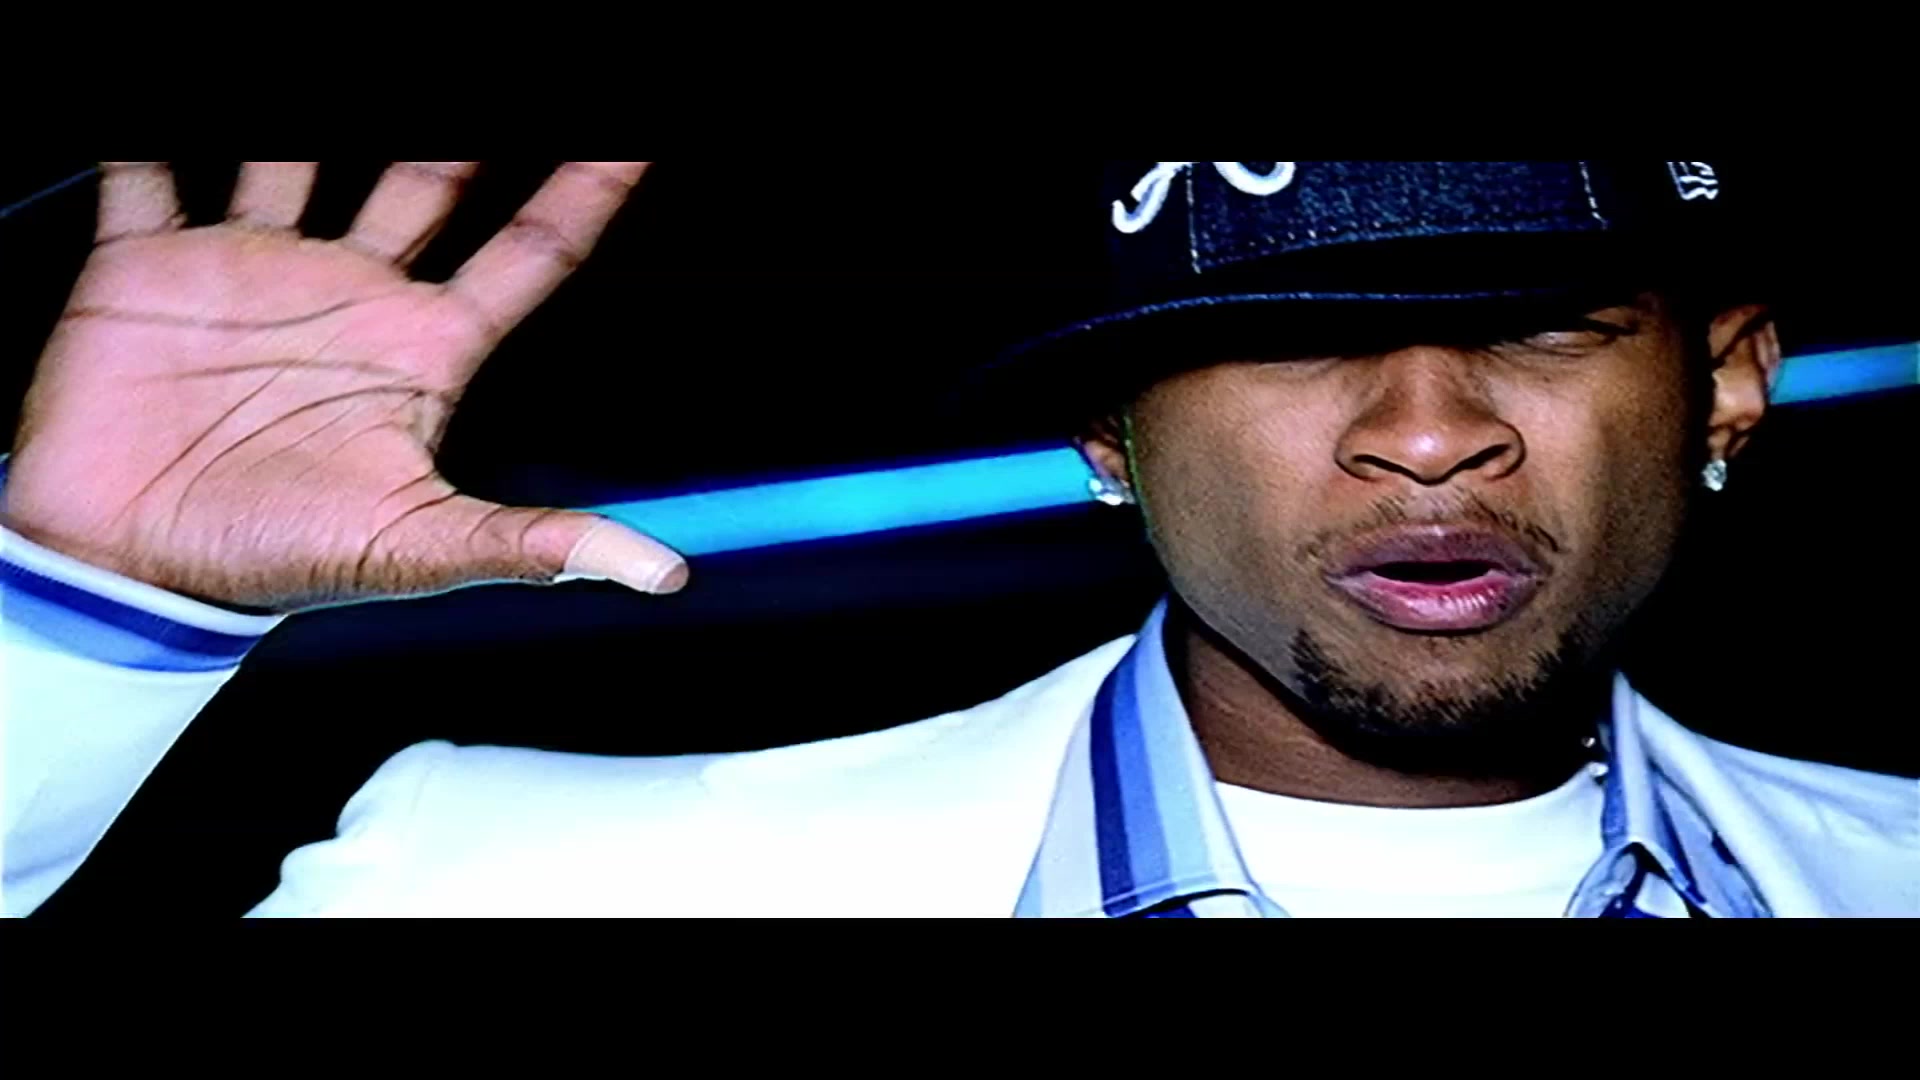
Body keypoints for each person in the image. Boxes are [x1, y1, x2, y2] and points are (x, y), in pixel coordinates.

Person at [2, 160, 1911, 918]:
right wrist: (77, 627)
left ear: (1728, 387)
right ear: (1107, 437)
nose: (1426, 430)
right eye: (1282, 336)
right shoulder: (535, 879)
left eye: (1544, 324)